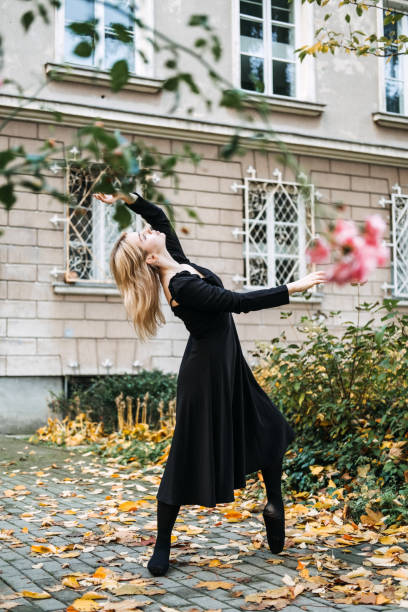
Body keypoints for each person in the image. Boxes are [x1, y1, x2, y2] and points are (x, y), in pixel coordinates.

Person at [94, 190, 328, 576]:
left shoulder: (178, 263)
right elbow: (237, 302)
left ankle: (274, 505)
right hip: (204, 377)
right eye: (142, 235)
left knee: (268, 426)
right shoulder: (181, 285)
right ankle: (163, 545)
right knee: (185, 456)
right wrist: (294, 288)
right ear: (149, 257)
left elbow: (157, 214)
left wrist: (123, 196)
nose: (148, 229)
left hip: (228, 365)